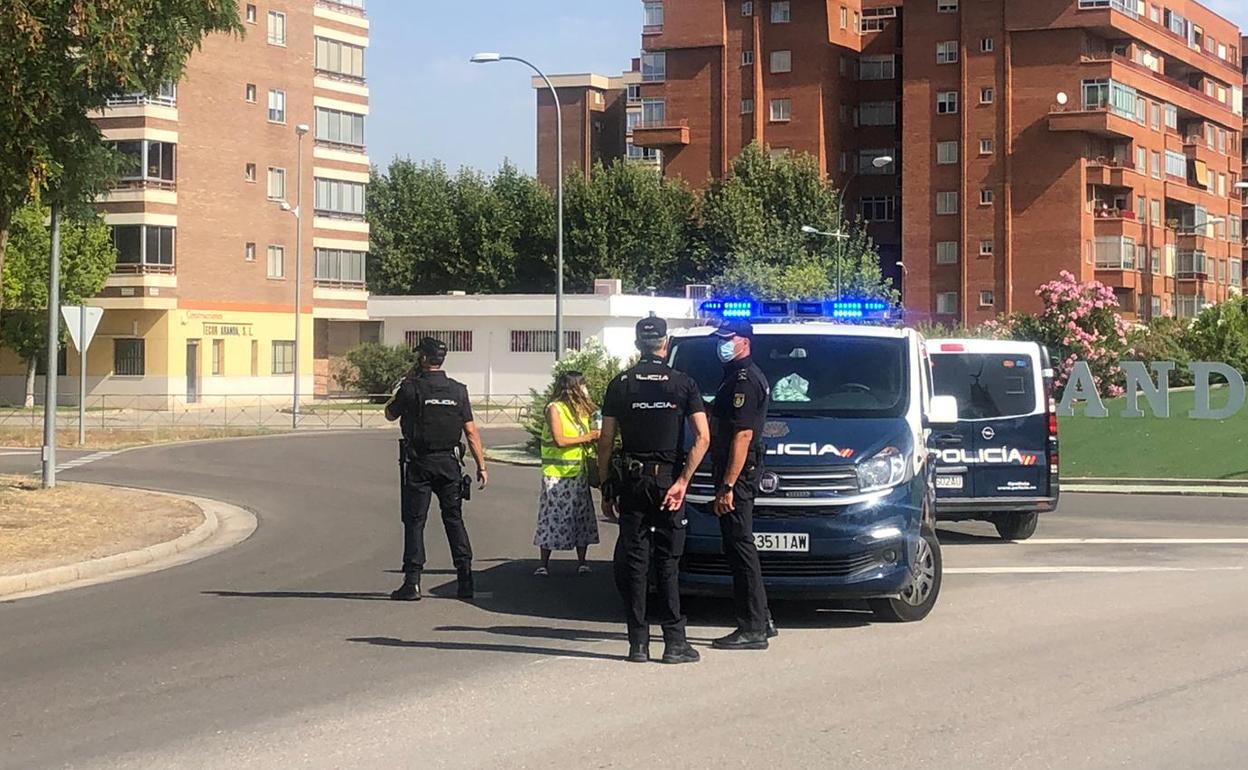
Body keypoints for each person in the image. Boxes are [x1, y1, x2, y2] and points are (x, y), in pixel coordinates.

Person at [599, 317, 710, 664]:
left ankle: (638, 644)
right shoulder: (683, 384)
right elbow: (703, 438)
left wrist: (606, 486)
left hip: (632, 482)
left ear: (637, 345)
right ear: (665, 344)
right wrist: (682, 482)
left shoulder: (620, 385)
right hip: (668, 484)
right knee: (667, 561)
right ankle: (675, 642)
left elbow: (606, 440)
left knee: (635, 560)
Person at [385, 337, 488, 602]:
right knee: (453, 519)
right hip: (450, 465)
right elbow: (471, 431)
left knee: (415, 522)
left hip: (419, 463)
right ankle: (465, 580)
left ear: (422, 359)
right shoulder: (458, 390)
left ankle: (412, 582)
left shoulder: (411, 388)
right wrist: (481, 465)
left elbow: (389, 413)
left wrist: (404, 382)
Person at [708, 319, 776, 650]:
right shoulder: (734, 377)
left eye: (726, 339)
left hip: (738, 474)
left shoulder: (744, 382)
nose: (720, 345)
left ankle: (752, 628)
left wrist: (728, 485)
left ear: (744, 342)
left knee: (740, 547)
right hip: (738, 471)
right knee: (740, 546)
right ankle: (762, 618)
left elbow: (743, 435)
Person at [534, 371, 601, 576]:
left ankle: (582, 561)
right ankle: (543, 564)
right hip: (557, 474)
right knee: (552, 517)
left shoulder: (584, 410)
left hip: (578, 472)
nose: (585, 388)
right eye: (582, 385)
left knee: (581, 517)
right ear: (572, 387)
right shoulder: (555, 408)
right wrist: (589, 436)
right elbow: (560, 440)